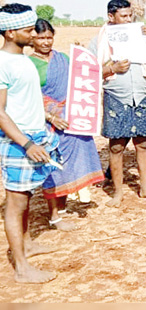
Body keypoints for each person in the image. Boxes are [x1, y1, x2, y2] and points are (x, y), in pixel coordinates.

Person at [0, 3, 59, 283]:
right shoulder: (2, 63)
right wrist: (26, 144)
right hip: (18, 142)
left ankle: (28, 245)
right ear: (10, 33)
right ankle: (22, 269)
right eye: (27, 30)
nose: (34, 35)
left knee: (26, 196)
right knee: (16, 203)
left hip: (32, 137)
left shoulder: (23, 60)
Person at [29, 19, 104, 230]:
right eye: (41, 38)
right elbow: (29, 97)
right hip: (46, 123)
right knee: (53, 167)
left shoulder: (62, 59)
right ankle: (53, 216)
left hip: (71, 119)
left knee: (69, 164)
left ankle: (61, 209)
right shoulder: (29, 64)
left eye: (49, 37)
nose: (45, 42)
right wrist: (50, 116)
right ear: (32, 38)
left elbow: (83, 80)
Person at [88, 0, 146, 207]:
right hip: (116, 96)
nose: (128, 19)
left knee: (143, 143)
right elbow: (89, 72)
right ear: (111, 17)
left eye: (130, 15)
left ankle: (145, 188)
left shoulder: (141, 37)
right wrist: (111, 69)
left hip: (140, 94)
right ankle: (118, 192)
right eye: (123, 16)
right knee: (116, 146)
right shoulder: (99, 42)